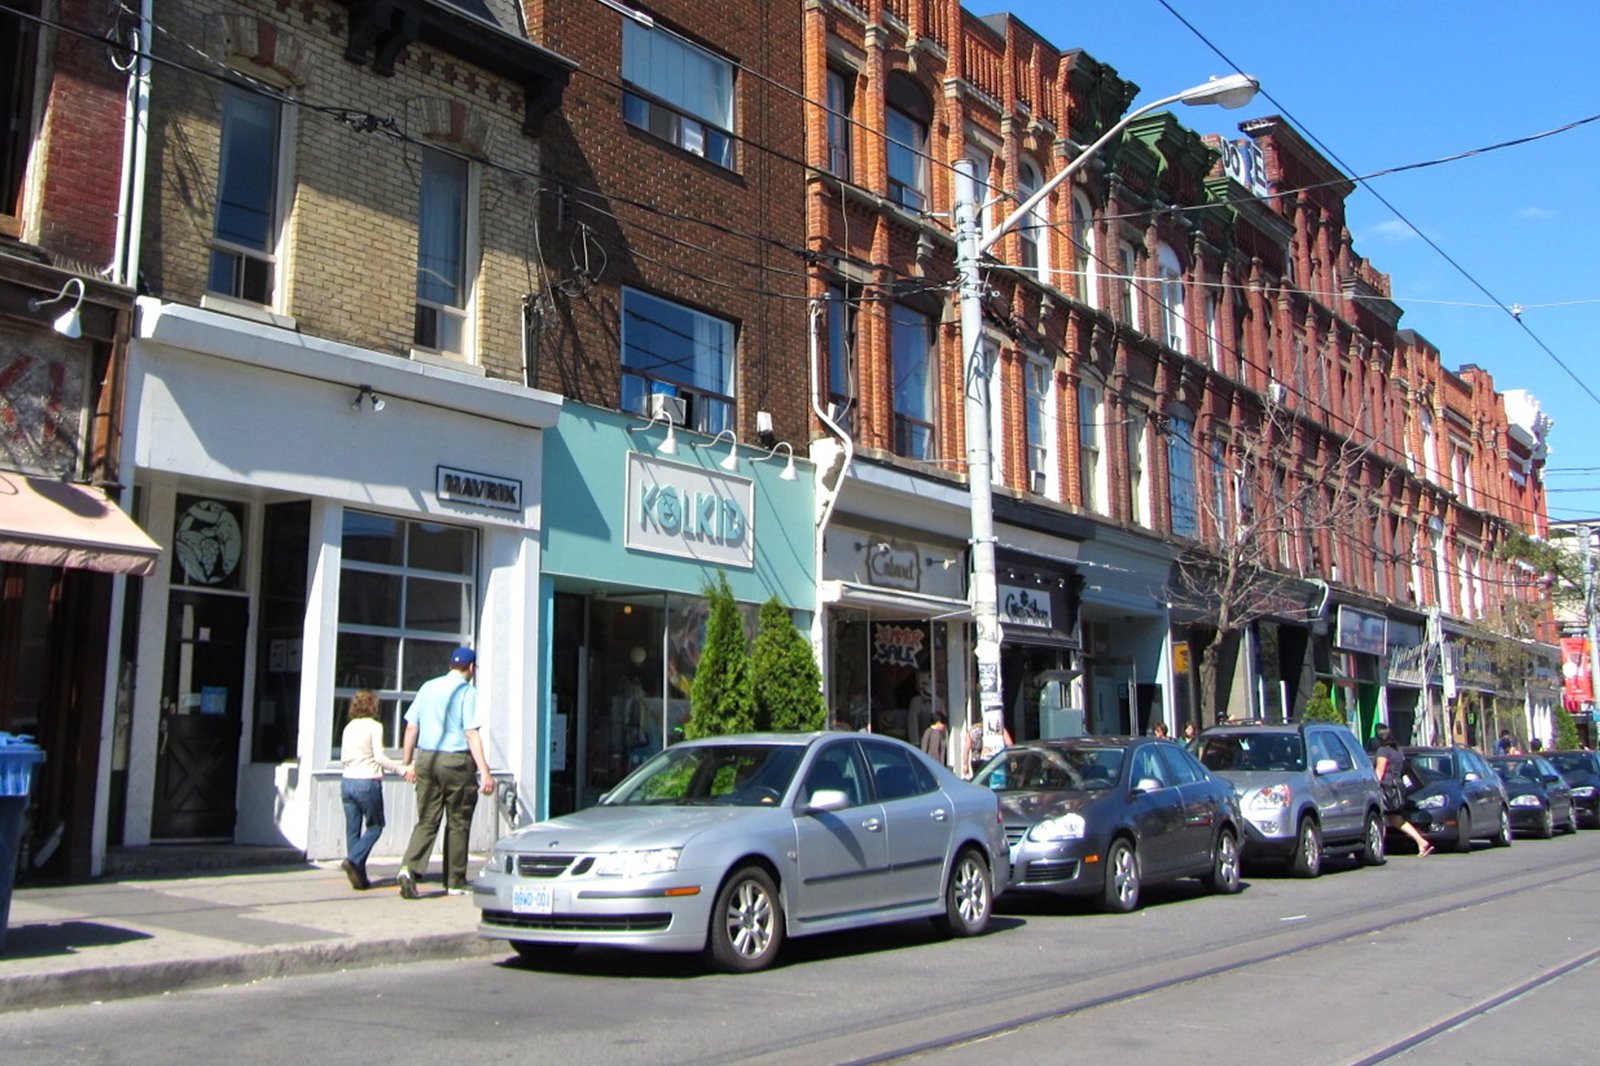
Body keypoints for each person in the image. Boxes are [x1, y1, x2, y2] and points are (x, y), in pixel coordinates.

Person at [397, 647, 495, 899]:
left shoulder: (428, 687)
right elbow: (471, 733)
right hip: (456, 761)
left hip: (426, 759)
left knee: (427, 818)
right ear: (471, 668)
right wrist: (484, 772)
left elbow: (411, 728)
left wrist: (407, 762)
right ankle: (455, 880)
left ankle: (409, 868)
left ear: (451, 665)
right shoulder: (467, 692)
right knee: (458, 820)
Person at [339, 689, 408, 891]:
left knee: (353, 830)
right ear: (374, 707)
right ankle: (353, 860)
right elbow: (379, 756)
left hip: (347, 780)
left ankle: (358, 876)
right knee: (375, 826)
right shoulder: (374, 727)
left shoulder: (348, 727)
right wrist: (399, 769)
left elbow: (344, 756)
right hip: (367, 780)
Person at [1373, 725, 1432, 857]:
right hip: (1398, 787)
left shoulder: (1382, 751)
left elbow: (1380, 771)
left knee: (1380, 818)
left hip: (1386, 789)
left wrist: (1373, 786)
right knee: (1397, 819)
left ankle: (1377, 850)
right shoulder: (1397, 750)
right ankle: (1421, 841)